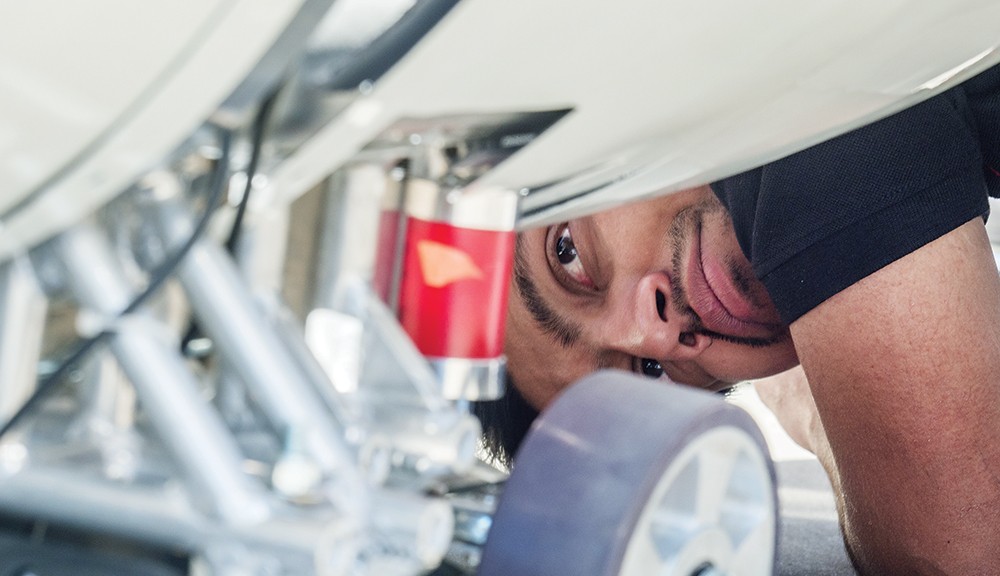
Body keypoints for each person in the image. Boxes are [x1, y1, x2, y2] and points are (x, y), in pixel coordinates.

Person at [476, 63, 1000, 574]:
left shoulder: (794, 99)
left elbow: (961, 550)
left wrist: (815, 411)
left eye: (567, 254)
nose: (655, 335)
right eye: (649, 376)